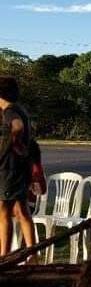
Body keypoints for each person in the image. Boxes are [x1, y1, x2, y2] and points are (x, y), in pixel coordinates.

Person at [0, 76, 36, 258]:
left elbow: (17, 126)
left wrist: (12, 144)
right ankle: (33, 256)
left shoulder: (9, 111)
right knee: (22, 211)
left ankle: (4, 256)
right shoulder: (21, 109)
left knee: (3, 212)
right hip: (20, 168)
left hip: (10, 169)